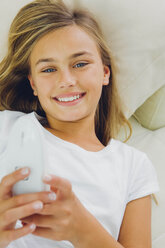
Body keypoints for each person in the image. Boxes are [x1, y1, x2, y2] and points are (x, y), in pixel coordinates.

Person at [0, 0, 159, 247]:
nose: (67, 80)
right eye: (49, 69)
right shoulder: (7, 128)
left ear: (105, 73)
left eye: (80, 64)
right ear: (33, 84)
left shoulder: (133, 166)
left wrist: (83, 230)